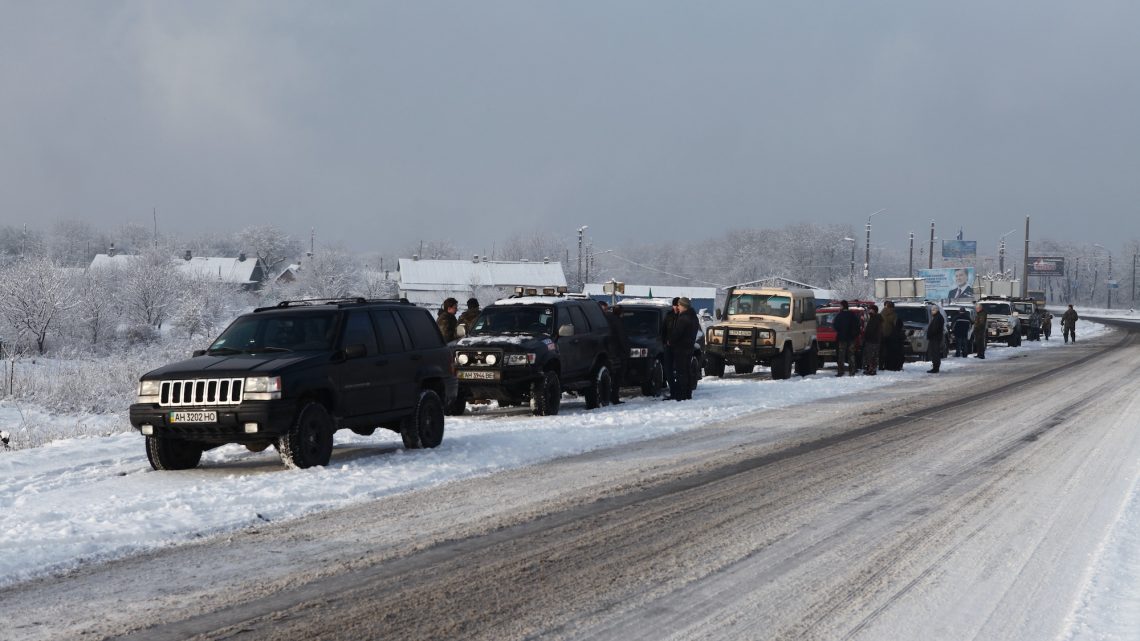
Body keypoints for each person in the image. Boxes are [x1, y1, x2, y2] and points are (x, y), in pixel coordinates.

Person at [668, 297, 699, 400]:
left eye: (679, 305)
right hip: (689, 347)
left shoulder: (684, 318)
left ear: (683, 306)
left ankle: (681, 394)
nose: (678, 307)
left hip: (681, 348)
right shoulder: (694, 317)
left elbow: (677, 333)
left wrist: (670, 341)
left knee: (681, 372)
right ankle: (687, 393)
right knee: (687, 371)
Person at [599, 301, 629, 404]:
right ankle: (614, 397)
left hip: (606, 350)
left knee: (609, 375)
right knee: (618, 375)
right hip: (616, 352)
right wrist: (626, 351)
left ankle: (606, 396)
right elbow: (622, 338)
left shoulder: (604, 319)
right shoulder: (617, 321)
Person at [832, 300, 860, 377]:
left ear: (843, 306)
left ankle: (841, 371)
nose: (839, 307)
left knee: (841, 355)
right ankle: (852, 371)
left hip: (842, 338)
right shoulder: (852, 315)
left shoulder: (840, 315)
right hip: (851, 339)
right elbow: (857, 326)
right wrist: (854, 335)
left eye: (840, 306)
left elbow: (835, 325)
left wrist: (840, 332)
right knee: (851, 355)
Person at [661, 297, 680, 399]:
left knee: (679, 370)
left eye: (678, 305)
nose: (676, 307)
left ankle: (679, 391)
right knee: (668, 370)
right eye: (675, 305)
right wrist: (664, 342)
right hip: (668, 346)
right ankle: (673, 390)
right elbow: (663, 330)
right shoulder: (669, 316)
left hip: (679, 347)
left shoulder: (683, 316)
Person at [880, 301, 905, 371]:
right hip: (891, 336)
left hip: (882, 335)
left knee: (883, 352)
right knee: (891, 352)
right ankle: (892, 366)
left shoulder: (881, 313)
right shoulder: (894, 315)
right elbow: (897, 326)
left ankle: (882, 365)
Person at [861, 304, 882, 375]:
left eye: (871, 309)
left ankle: (872, 369)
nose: (869, 311)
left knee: (871, 356)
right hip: (874, 339)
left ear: (874, 310)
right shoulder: (875, 317)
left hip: (872, 339)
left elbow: (871, 329)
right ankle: (871, 369)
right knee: (872, 356)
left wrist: (866, 335)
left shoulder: (875, 318)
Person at [926, 304, 945, 373]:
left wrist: (930, 334)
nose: (931, 312)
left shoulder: (938, 318)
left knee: (935, 353)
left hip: (935, 338)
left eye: (933, 310)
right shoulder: (937, 317)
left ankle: (935, 367)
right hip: (935, 338)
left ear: (936, 310)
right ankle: (935, 366)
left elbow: (935, 329)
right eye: (931, 310)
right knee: (934, 352)